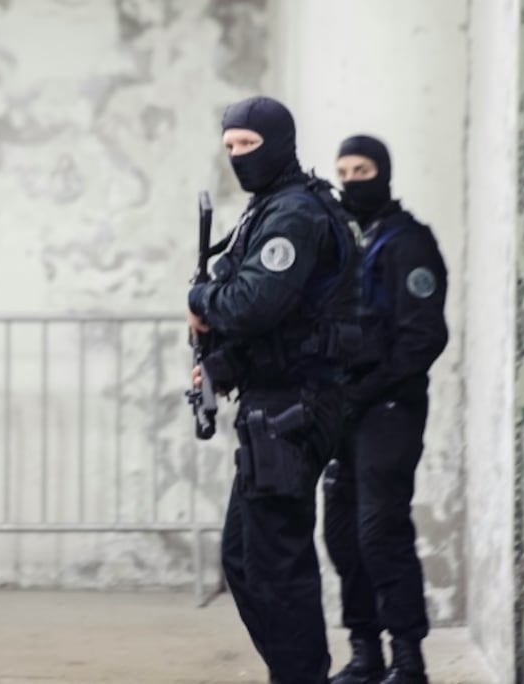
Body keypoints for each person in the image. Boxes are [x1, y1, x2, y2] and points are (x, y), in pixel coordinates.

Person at [187, 96, 362, 684]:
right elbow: (289, 319)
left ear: (279, 143)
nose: (237, 157)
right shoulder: (270, 209)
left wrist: (200, 300)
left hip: (294, 407)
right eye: (230, 146)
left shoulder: (292, 216)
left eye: (248, 146)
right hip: (275, 403)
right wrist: (223, 368)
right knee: (244, 556)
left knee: (276, 564)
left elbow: (254, 303)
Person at [323, 134, 449, 684]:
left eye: (363, 168)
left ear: (384, 172)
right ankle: (365, 651)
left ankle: (407, 657)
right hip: (341, 407)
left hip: (390, 407)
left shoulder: (409, 242)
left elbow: (424, 337)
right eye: (344, 169)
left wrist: (369, 387)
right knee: (342, 533)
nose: (352, 179)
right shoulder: (341, 240)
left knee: (379, 530)